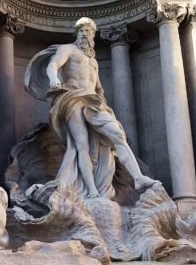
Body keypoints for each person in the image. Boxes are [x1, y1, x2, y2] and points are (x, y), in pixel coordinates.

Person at [25, 17, 156, 201]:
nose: (86, 34)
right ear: (77, 33)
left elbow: (98, 87)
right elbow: (53, 64)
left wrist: (104, 104)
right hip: (72, 97)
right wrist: (54, 79)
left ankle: (138, 178)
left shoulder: (92, 61)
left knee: (118, 135)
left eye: (89, 31)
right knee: (81, 145)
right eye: (82, 31)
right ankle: (91, 190)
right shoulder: (68, 49)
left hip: (94, 102)